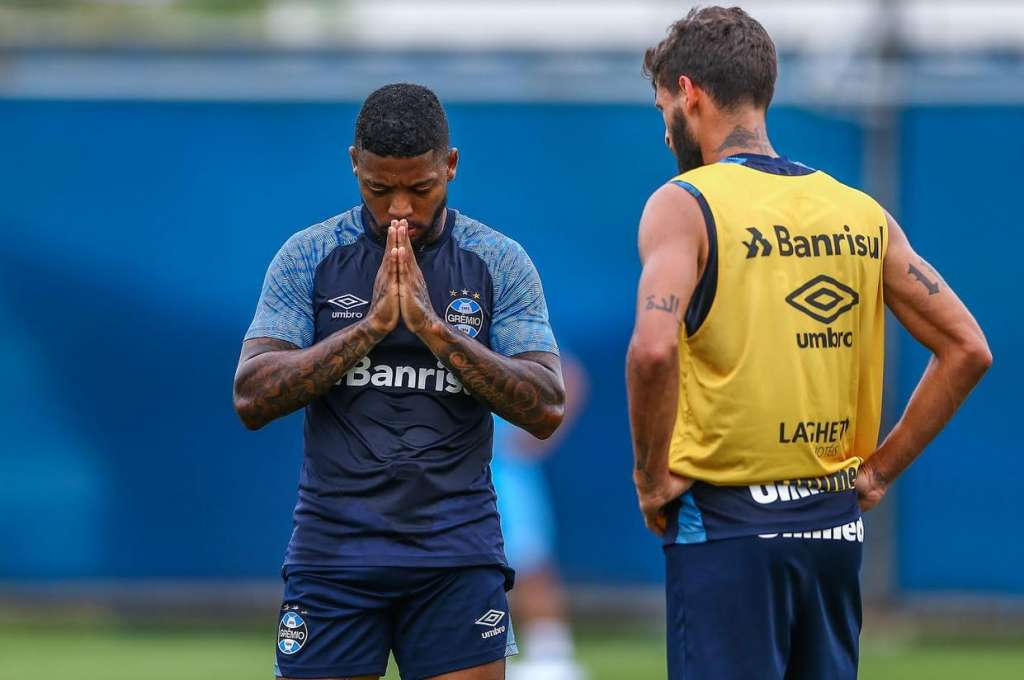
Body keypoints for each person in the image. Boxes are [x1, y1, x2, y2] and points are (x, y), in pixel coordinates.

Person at [625, 7, 992, 680]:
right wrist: (878, 471)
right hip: (832, 529)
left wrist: (651, 480)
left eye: (663, 107)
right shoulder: (857, 210)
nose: (665, 125)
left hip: (729, 527)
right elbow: (968, 348)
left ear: (691, 94)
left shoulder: (684, 203)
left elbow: (652, 349)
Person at [233, 83, 565, 680]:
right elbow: (251, 395)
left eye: (421, 188)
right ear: (354, 164)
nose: (400, 210)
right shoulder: (309, 256)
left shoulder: (498, 262)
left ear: (452, 166)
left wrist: (435, 331)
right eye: (379, 189)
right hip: (334, 555)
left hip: (457, 557)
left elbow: (546, 405)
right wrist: (369, 330)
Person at [491, 354, 589, 680]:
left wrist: (538, 435)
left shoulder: (510, 318)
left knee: (527, 558)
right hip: (452, 464)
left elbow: (570, 375)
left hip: (504, 466)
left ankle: (552, 658)